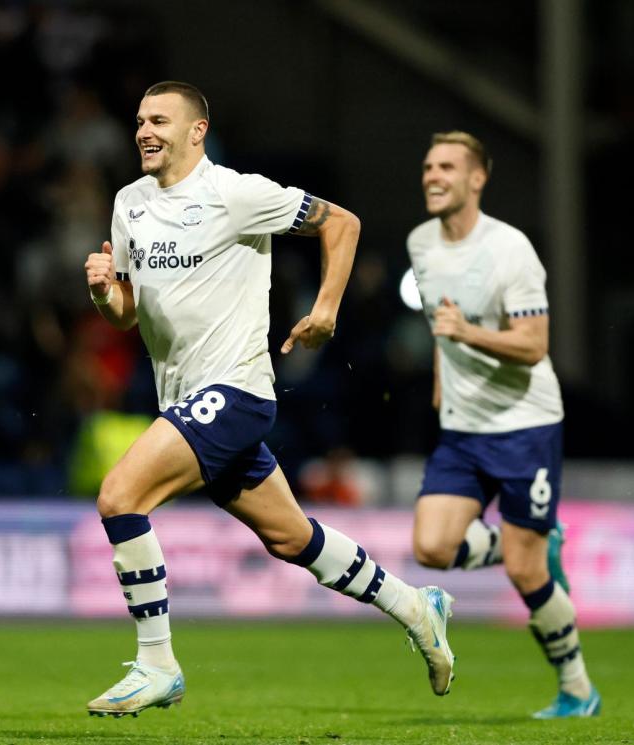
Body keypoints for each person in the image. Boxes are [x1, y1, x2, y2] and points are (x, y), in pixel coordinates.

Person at [82, 81, 456, 718]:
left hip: (235, 391)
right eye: (140, 120)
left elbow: (343, 222)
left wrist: (326, 309)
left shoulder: (237, 194)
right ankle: (417, 607)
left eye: (160, 121)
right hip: (182, 398)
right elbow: (128, 312)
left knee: (120, 496)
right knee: (292, 538)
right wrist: (102, 294)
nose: (144, 131)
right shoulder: (130, 203)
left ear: (197, 131)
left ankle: (157, 663)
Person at [406, 131, 599, 719]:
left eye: (446, 166)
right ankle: (543, 539)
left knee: (524, 569)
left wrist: (468, 334)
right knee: (431, 547)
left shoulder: (510, 249)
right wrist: (445, 378)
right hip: (464, 429)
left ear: (477, 179)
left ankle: (577, 689)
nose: (432, 175)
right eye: (427, 165)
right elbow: (443, 321)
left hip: (524, 424)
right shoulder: (421, 242)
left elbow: (535, 343)